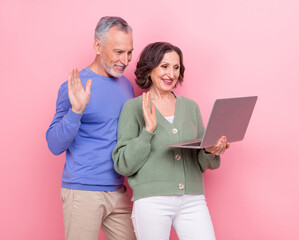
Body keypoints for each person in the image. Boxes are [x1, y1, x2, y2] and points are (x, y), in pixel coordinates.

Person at [112, 42, 230, 240]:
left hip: (192, 199)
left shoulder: (191, 107)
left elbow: (201, 162)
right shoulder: (132, 108)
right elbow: (123, 165)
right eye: (164, 66)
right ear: (149, 69)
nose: (171, 74)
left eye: (176, 68)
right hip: (152, 201)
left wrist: (210, 151)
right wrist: (148, 132)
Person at [46, 16, 136, 240]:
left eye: (129, 52)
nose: (125, 60)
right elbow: (54, 144)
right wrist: (76, 111)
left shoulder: (126, 85)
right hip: (83, 190)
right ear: (97, 46)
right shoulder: (74, 86)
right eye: (118, 52)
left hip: (118, 190)